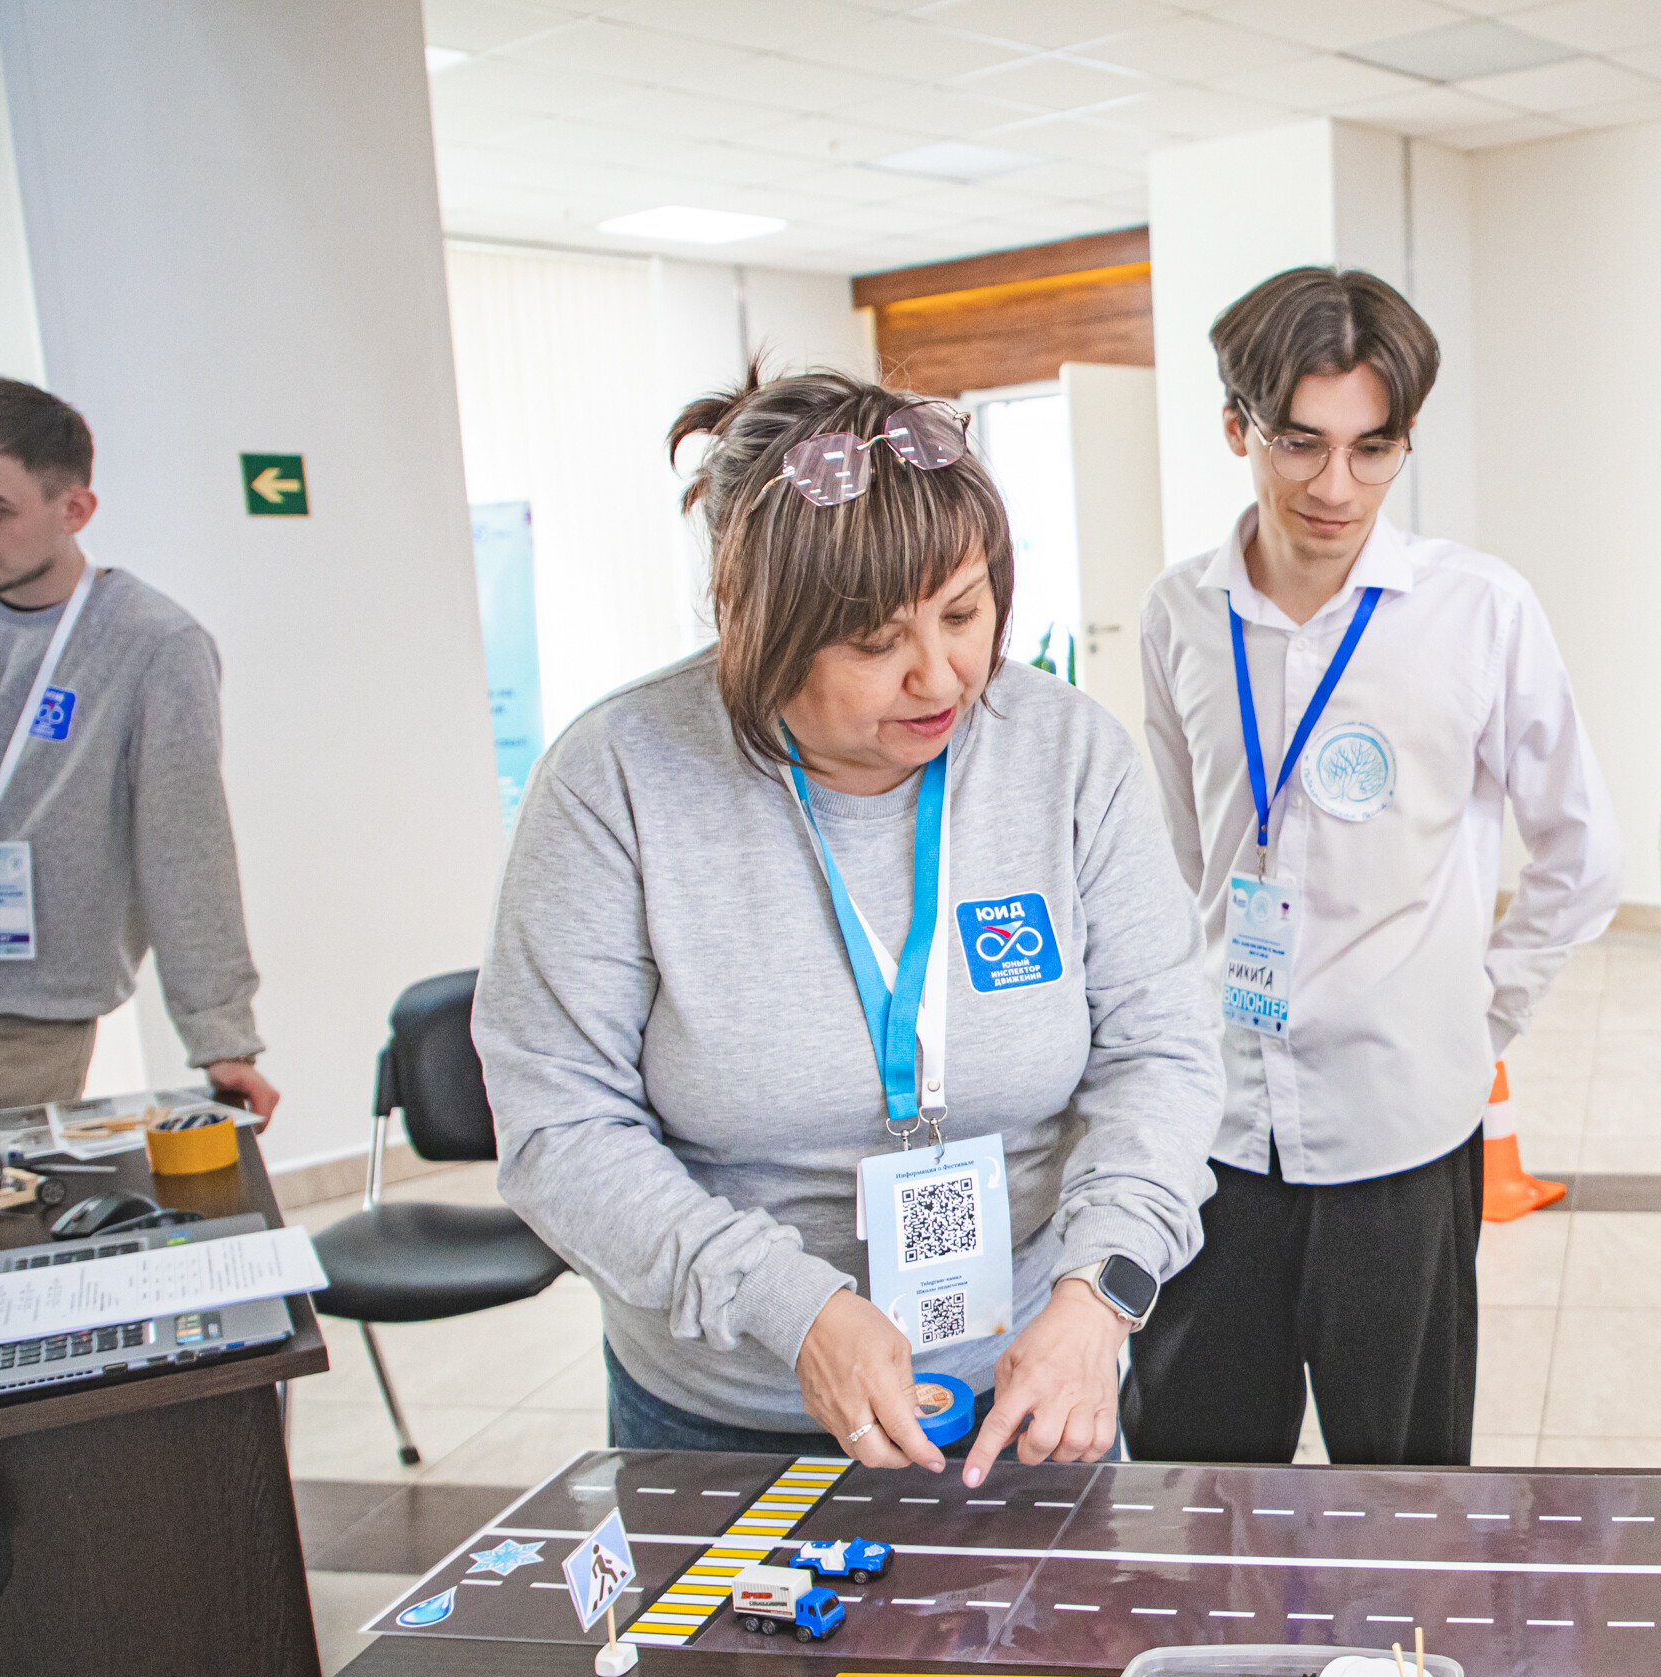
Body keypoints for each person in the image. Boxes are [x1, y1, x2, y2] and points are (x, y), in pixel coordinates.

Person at [474, 368, 1221, 1482]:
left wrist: (1097, 1292)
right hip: (726, 1411)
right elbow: (558, 1126)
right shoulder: (616, 778)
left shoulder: (1065, 756)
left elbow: (1160, 1054)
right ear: (757, 627)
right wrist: (795, 1309)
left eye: (964, 614)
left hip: (1028, 1382)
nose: (942, 674)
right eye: (876, 641)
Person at [1131, 267, 1619, 1467]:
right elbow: (1186, 860)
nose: (1336, 487)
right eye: (1300, 442)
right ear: (1237, 427)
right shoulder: (1179, 615)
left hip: (1403, 1137)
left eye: (1373, 448)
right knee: (1202, 1487)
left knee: (1408, 1493)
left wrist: (1476, 1015)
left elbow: (1581, 855)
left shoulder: (1478, 611)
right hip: (1218, 1136)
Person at [0, 377, 278, 1122]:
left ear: (75, 510)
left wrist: (221, 1037)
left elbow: (184, 850)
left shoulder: (154, 644)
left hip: (22, 1025)